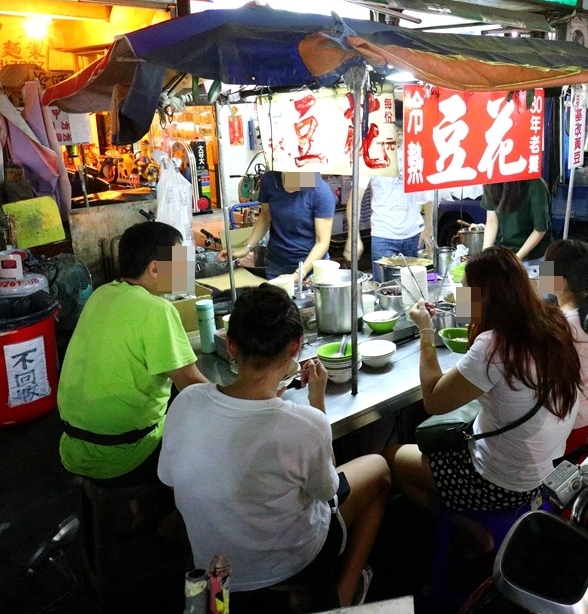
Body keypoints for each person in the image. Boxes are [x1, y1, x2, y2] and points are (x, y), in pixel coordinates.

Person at [158, 285, 390, 608]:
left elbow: (169, 478)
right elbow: (327, 490)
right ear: (295, 347)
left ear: (232, 346)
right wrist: (317, 402)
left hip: (214, 563)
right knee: (379, 470)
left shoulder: (185, 402)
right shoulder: (307, 424)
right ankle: (345, 592)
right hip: (291, 559)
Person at [384, 247, 580, 519]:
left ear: (486, 297)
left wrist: (425, 330)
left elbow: (433, 401)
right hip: (544, 466)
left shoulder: (494, 346)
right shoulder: (553, 322)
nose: (459, 297)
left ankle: (470, 531)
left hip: (501, 482)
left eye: (464, 290)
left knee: (391, 457)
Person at [58, 222, 208, 484]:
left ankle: (137, 506)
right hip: (124, 456)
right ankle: (166, 514)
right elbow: (193, 387)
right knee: (204, 437)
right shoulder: (156, 310)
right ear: (155, 268)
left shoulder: (101, 294)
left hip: (74, 447)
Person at [540, 239, 588, 446]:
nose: (540, 274)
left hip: (576, 416)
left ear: (562, 281)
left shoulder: (565, 327)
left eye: (545, 269)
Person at [223, 170, 334, 281]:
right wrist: (247, 247)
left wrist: (299, 274)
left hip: (311, 267)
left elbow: (322, 243)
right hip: (276, 264)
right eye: (286, 177)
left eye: (296, 179)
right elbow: (265, 216)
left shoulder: (321, 192)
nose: (288, 187)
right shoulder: (270, 180)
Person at [344, 167, 433, 282]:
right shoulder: (373, 155)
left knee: (416, 292)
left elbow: (427, 189)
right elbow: (355, 200)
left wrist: (429, 226)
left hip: (415, 235)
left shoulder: (414, 150)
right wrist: (353, 235)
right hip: (383, 237)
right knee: (385, 292)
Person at [481, 178, 554, 266]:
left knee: (551, 280)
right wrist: (484, 256)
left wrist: (515, 260)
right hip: (508, 254)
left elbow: (540, 230)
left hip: (543, 256)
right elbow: (492, 222)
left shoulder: (537, 185)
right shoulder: (492, 183)